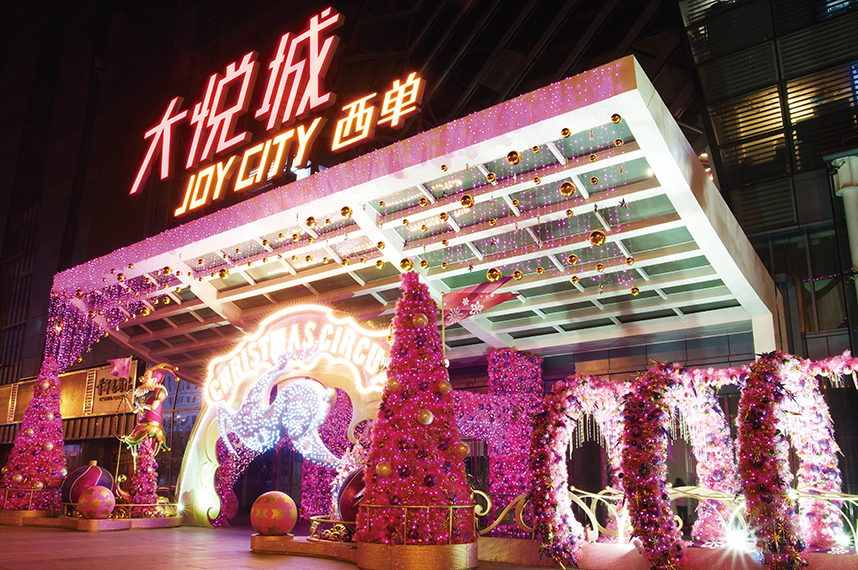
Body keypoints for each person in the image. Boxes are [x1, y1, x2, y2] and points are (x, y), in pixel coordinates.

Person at [121, 363, 176, 456]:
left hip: (152, 427)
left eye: (146, 376)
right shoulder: (140, 396)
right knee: (135, 453)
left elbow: (153, 407)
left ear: (153, 380)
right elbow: (134, 410)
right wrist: (128, 400)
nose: (142, 378)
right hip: (140, 426)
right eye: (144, 375)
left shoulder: (158, 392)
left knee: (148, 453)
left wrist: (144, 406)